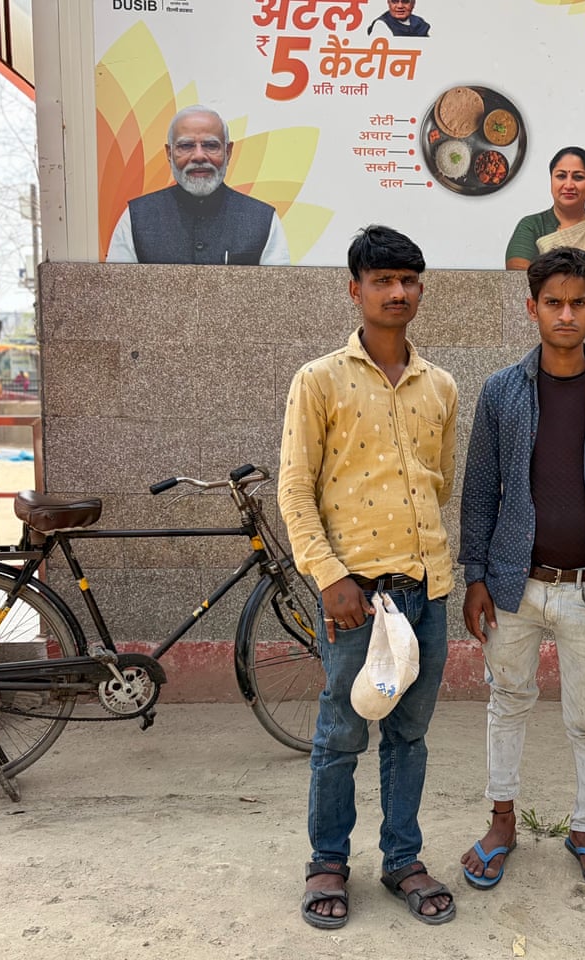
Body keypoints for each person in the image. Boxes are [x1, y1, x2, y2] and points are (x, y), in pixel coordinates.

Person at [457, 246, 585, 893]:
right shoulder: (502, 392)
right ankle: (501, 822)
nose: (566, 314)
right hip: (516, 584)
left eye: (578, 303)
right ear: (532, 308)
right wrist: (476, 578)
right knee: (507, 704)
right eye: (554, 303)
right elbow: (480, 489)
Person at [278, 225, 458, 929]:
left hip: (427, 591)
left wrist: (423, 574)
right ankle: (327, 861)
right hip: (355, 597)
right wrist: (329, 577)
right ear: (355, 290)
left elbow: (436, 487)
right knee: (342, 735)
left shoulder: (439, 385)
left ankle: (402, 858)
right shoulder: (318, 380)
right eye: (382, 280)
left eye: (409, 280)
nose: (397, 292)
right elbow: (296, 490)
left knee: (409, 736)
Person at [106, 105, 289, 265]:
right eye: (186, 146)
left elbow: (277, 299)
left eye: (210, 145)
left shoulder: (264, 220)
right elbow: (117, 297)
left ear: (228, 151)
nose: (199, 156)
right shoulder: (135, 218)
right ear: (169, 153)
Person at [505, 146, 585, 273]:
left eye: (578, 177)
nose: (569, 185)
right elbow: (518, 281)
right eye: (561, 176)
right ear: (551, 182)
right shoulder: (532, 226)